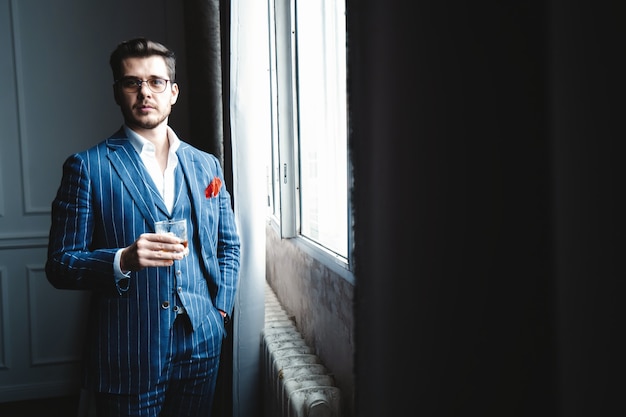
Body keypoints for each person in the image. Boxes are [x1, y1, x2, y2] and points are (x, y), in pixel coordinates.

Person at [45, 37, 241, 417]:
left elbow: (227, 245)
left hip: (202, 344)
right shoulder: (88, 167)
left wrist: (219, 313)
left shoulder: (207, 166)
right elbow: (60, 264)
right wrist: (124, 259)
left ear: (173, 92)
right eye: (132, 82)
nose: (144, 92)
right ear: (118, 92)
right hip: (127, 352)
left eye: (155, 81)